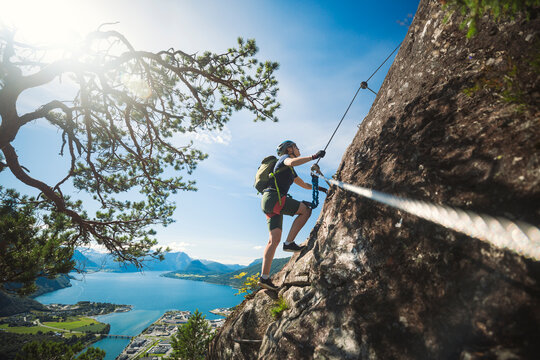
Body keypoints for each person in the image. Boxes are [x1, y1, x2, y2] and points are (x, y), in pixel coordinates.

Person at [258, 140, 327, 291]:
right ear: (289, 149)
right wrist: (314, 156)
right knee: (306, 211)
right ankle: (289, 243)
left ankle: (264, 278)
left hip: (268, 202)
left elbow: (303, 184)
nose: (298, 148)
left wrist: (320, 188)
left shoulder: (289, 170)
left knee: (273, 240)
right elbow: (292, 161)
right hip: (275, 198)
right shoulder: (284, 159)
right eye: (296, 146)